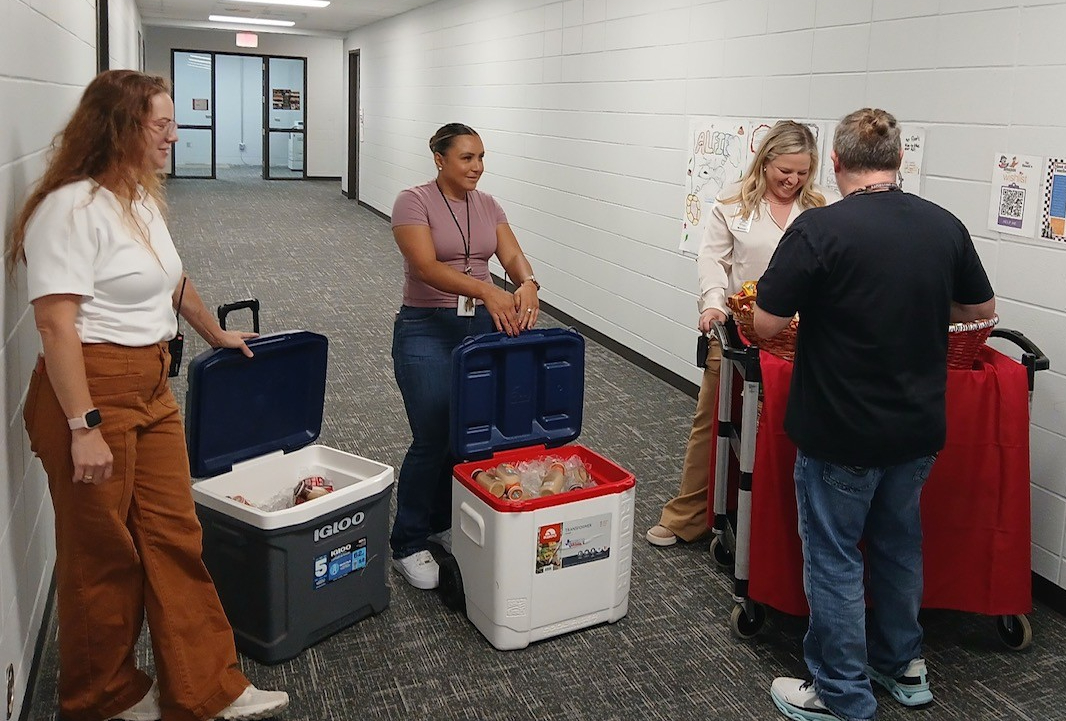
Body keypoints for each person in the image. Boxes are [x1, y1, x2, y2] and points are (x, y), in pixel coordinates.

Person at [7, 70, 289, 721]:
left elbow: (172, 276)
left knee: (174, 535)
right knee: (103, 551)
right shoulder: (69, 209)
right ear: (120, 127)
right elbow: (55, 324)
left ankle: (203, 687)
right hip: (89, 388)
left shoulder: (136, 195)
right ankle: (101, 696)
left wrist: (213, 331)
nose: (173, 133)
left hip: (153, 383)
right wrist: (82, 425)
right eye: (160, 123)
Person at [753, 108, 995, 721]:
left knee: (834, 559)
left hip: (841, 432)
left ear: (834, 163)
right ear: (899, 160)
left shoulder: (819, 230)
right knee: (898, 546)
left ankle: (841, 694)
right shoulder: (944, 225)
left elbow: (765, 324)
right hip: (916, 430)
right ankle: (902, 665)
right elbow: (980, 305)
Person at [647, 120, 836, 547]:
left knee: (787, 428)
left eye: (802, 173)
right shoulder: (734, 202)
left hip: (802, 336)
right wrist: (712, 301)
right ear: (765, 160)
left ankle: (780, 522)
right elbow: (712, 259)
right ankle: (688, 515)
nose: (792, 180)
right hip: (740, 330)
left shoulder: (821, 208)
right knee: (713, 417)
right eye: (784, 170)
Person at [390, 123, 540, 589]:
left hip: (480, 325)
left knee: (471, 434)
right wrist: (484, 288)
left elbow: (512, 257)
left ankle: (441, 519)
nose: (477, 167)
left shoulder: (489, 204)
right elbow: (425, 266)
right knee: (433, 433)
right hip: (426, 327)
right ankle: (408, 542)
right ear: (439, 158)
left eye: (481, 158)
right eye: (467, 158)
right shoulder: (412, 201)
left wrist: (527, 283)